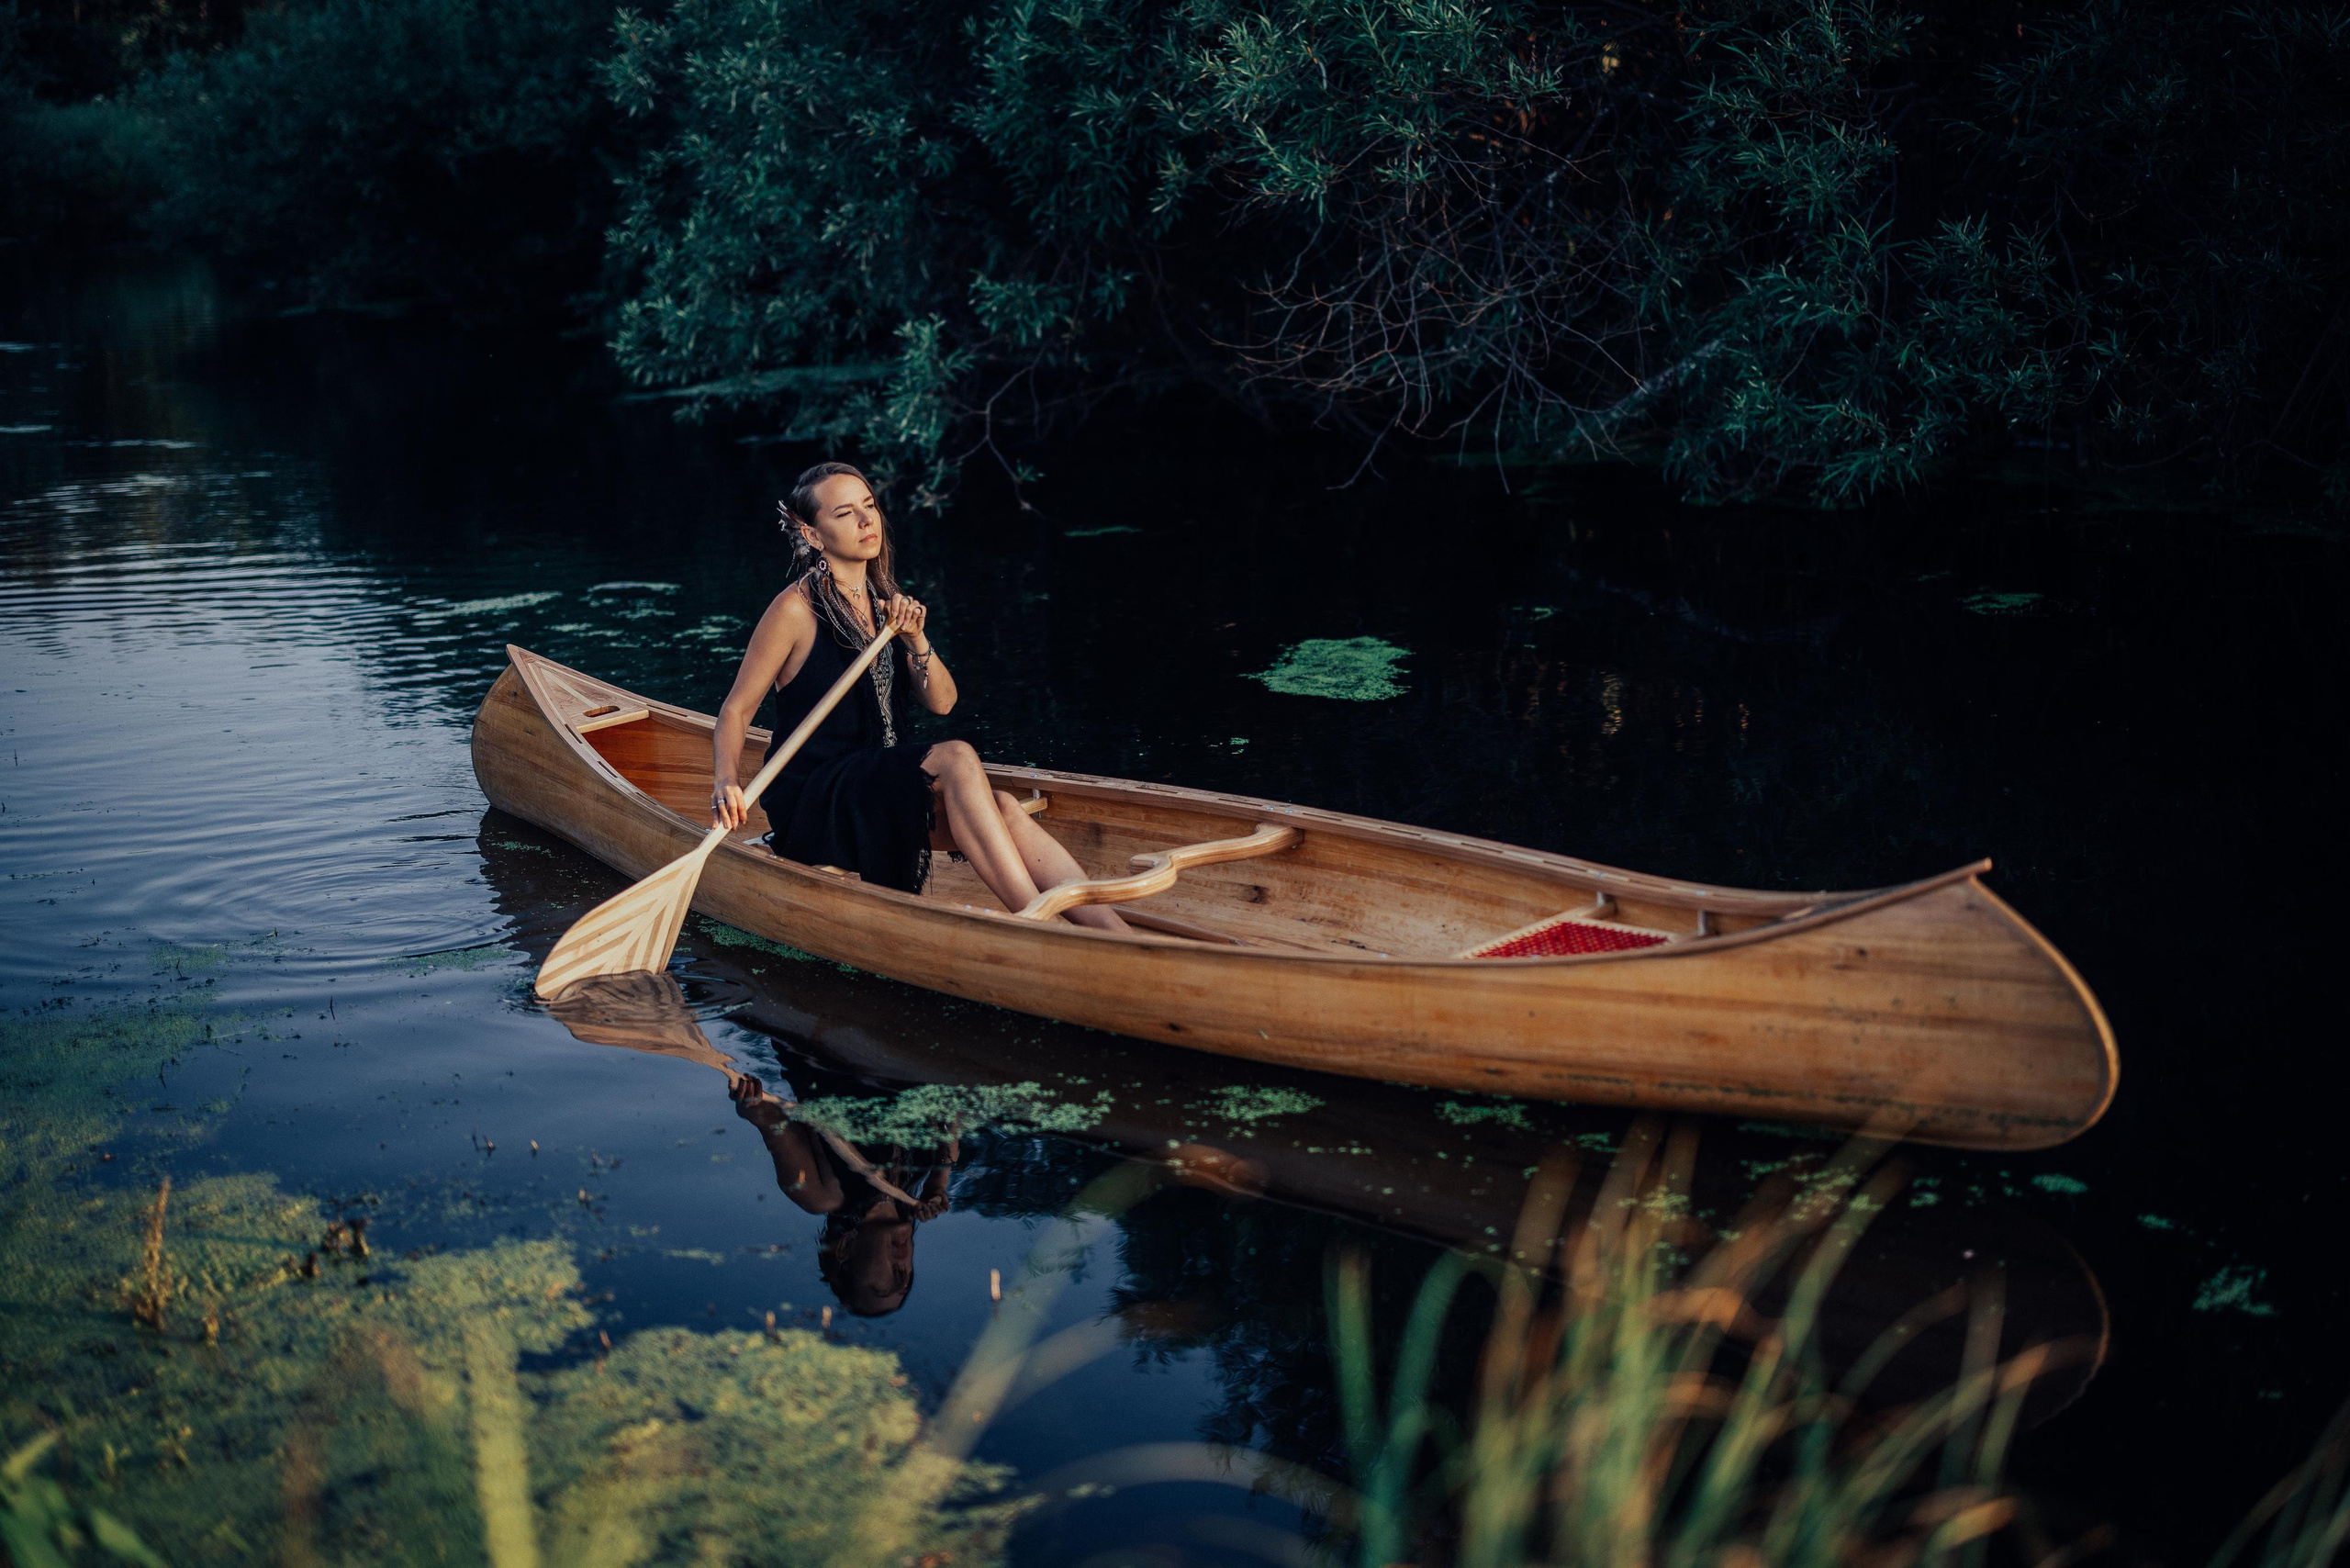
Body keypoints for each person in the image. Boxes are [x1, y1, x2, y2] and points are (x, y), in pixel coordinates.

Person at [708, 462, 1126, 929]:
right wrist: (726, 780)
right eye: (845, 513)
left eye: (869, 506)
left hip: (877, 788)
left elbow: (943, 703)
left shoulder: (884, 600)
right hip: (817, 801)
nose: (866, 520)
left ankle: (1113, 932)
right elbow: (736, 710)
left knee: (1005, 807)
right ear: (813, 535)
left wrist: (916, 639)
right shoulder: (794, 609)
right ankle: (1039, 926)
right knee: (956, 756)